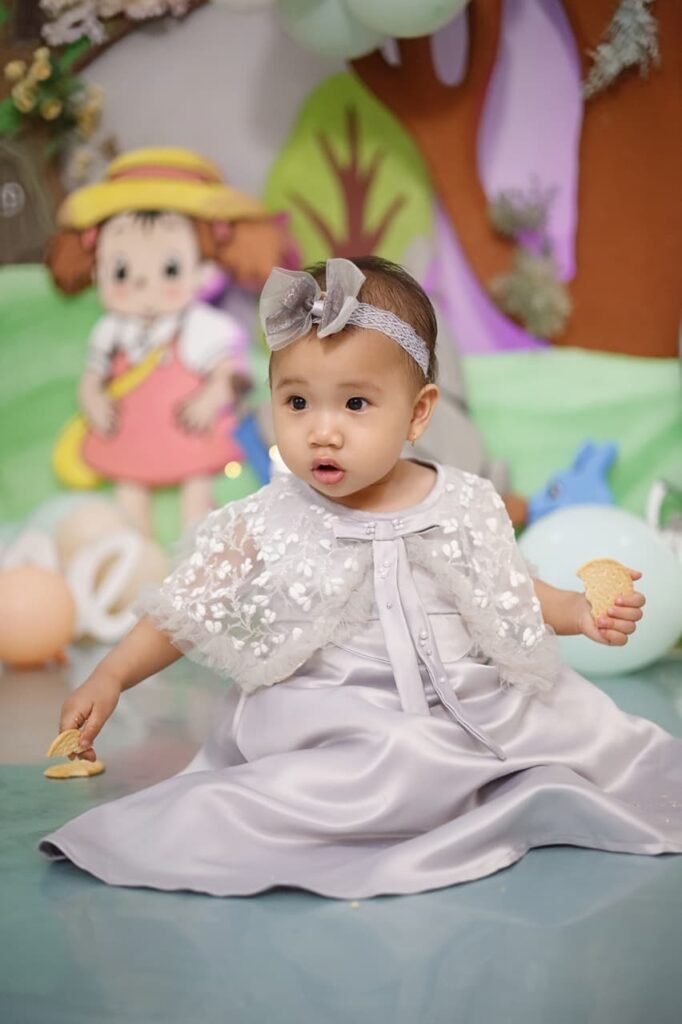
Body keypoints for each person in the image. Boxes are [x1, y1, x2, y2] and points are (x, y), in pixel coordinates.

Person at [40, 257, 682, 899]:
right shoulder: (270, 518)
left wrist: (578, 611)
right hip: (336, 711)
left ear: (417, 413)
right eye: (297, 402)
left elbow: (507, 589)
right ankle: (392, 796)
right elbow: (186, 609)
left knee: (580, 724)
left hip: (468, 694)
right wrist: (112, 675)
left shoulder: (461, 501)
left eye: (355, 404)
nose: (323, 432)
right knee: (356, 768)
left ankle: (476, 775)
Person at [47, 147, 296, 533]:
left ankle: (199, 548)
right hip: (129, 429)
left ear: (204, 269)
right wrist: (93, 398)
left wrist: (210, 397)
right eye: (122, 270)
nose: (144, 284)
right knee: (129, 492)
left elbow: (229, 372)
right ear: (98, 271)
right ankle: (134, 549)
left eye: (169, 268)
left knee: (198, 495)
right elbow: (93, 374)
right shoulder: (112, 330)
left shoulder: (201, 325)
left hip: (188, 428)